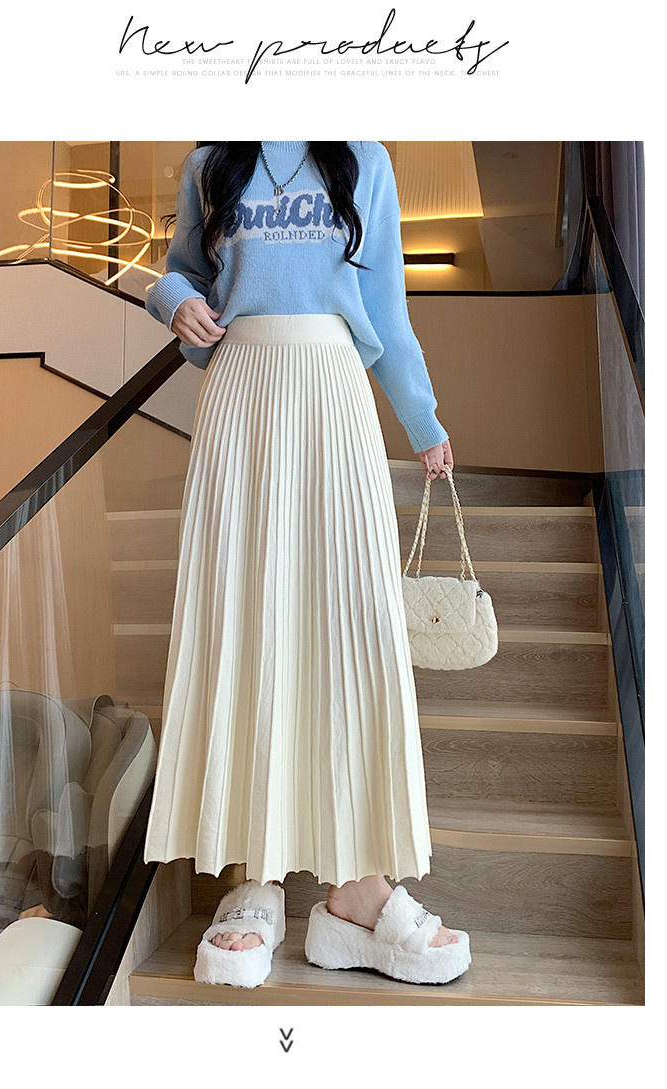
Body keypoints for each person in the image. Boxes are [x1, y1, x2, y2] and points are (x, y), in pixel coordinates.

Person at [142, 141, 471, 989]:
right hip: (241, 396)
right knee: (245, 627)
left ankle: (357, 887)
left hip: (333, 393)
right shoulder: (212, 160)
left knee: (350, 632)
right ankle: (254, 876)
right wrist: (175, 303)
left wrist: (423, 420)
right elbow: (177, 273)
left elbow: (386, 308)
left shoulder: (363, 158)